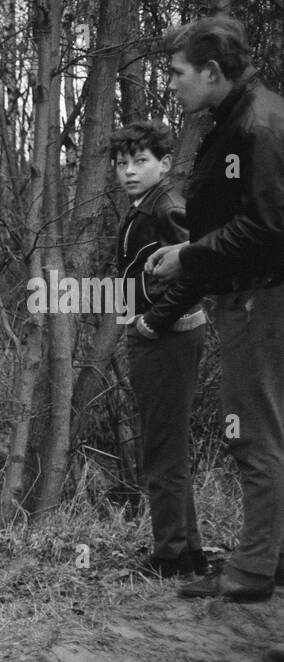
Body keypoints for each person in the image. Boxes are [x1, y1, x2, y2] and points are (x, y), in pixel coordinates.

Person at [139, 16, 284, 607]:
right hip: (252, 292)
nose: (170, 84)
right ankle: (269, 557)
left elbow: (268, 225)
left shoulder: (258, 123)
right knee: (269, 429)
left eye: (177, 74)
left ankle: (252, 571)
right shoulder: (245, 115)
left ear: (212, 72)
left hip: (259, 295)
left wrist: (189, 257)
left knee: (252, 432)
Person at [112, 120, 208, 579]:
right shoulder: (146, 204)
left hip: (168, 337)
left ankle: (169, 557)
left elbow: (196, 271)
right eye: (122, 162)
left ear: (165, 164)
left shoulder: (167, 206)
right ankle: (187, 552)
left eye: (140, 161)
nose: (129, 170)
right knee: (167, 444)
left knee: (161, 448)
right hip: (159, 334)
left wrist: (153, 320)